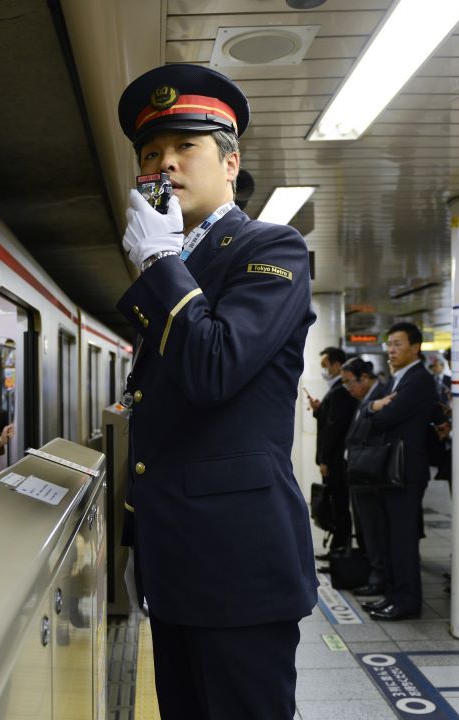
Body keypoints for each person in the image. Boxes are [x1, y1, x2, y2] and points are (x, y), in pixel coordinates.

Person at [115, 64, 317, 719]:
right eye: (151, 154)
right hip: (174, 566)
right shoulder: (177, 266)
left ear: (230, 164)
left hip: (238, 568)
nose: (165, 164)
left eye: (185, 148)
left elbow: (214, 366)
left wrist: (158, 264)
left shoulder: (271, 250)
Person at [359, 322, 435, 620]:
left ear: (415, 347)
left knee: (402, 540)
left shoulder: (418, 380)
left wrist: (373, 408)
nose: (391, 350)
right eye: (389, 344)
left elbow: (383, 418)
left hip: (405, 471)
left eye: (397, 344)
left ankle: (406, 601)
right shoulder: (397, 379)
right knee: (390, 538)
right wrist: (375, 407)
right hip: (391, 470)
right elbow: (376, 411)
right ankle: (392, 595)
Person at [340, 357, 389, 599]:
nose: (348, 388)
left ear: (366, 378)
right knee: (365, 528)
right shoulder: (364, 400)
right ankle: (373, 572)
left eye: (350, 382)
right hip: (359, 474)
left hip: (371, 475)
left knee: (373, 529)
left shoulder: (380, 397)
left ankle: (379, 577)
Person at [307, 347, 357, 554]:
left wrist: (325, 460)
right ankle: (338, 549)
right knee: (337, 503)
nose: (324, 371)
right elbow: (330, 420)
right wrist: (319, 411)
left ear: (337, 365)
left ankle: (340, 550)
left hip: (336, 460)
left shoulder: (340, 391)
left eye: (325, 366)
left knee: (339, 504)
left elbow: (334, 428)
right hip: (334, 458)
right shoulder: (335, 390)